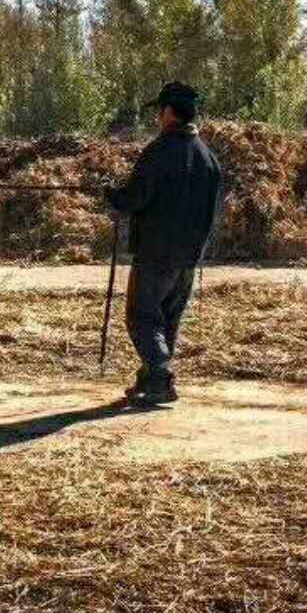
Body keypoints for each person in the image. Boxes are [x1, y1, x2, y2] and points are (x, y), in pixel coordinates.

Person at [104, 81, 223, 407]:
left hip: (157, 251)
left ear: (170, 112)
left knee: (142, 316)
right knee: (167, 318)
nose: (158, 117)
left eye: (160, 111)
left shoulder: (160, 151)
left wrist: (111, 195)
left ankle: (159, 377)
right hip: (189, 256)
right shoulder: (208, 157)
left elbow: (135, 198)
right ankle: (149, 378)